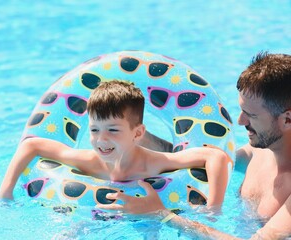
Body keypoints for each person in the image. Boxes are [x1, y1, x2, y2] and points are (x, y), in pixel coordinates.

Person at [98, 52, 291, 239]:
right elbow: (185, 159)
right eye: (241, 111)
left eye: (251, 115)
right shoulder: (257, 153)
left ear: (287, 119)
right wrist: (133, 135)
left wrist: (163, 215)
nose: (240, 121)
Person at [0, 80, 229, 209]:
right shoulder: (89, 161)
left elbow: (216, 157)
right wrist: (6, 191)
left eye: (113, 130)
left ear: (138, 133)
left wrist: (214, 208)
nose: (101, 140)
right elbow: (31, 146)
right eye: (95, 130)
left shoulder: (154, 163)